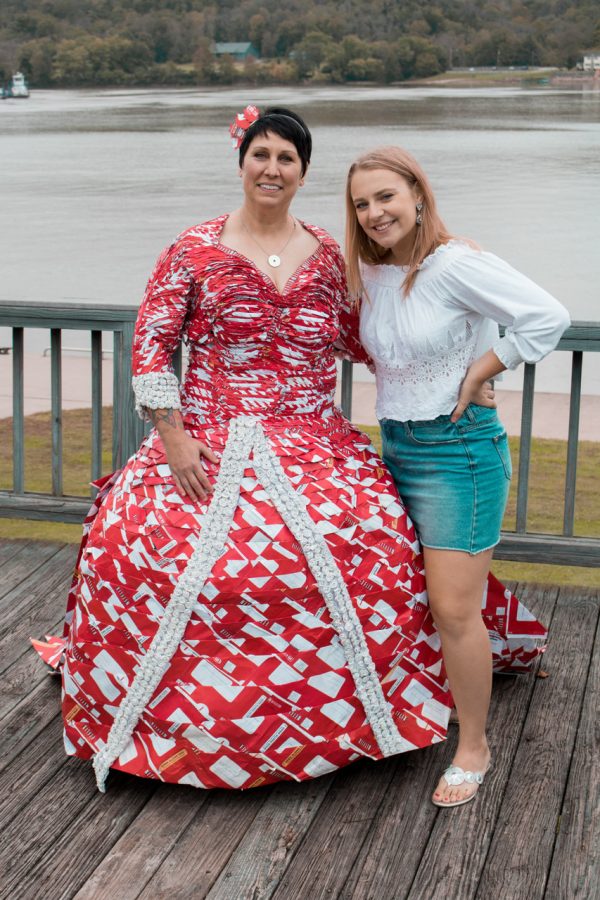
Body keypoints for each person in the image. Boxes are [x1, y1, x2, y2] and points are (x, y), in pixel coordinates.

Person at [34, 109, 546, 796]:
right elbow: (153, 344)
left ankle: (371, 719)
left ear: (304, 173)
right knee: (153, 551)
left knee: (376, 551)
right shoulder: (193, 248)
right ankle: (183, 727)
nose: (272, 168)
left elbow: (379, 339)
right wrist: (175, 436)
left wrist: (468, 348)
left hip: (317, 442)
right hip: (205, 439)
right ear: (242, 162)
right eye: (261, 155)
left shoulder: (333, 259)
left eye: (287, 158)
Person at [344, 146, 570, 808]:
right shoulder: (368, 273)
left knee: (453, 608)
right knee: (409, 594)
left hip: (458, 454)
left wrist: (483, 369)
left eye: (386, 196)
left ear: (417, 194)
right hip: (395, 450)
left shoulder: (455, 265)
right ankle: (435, 697)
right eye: (362, 203)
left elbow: (547, 317)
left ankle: (474, 745)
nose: (375, 212)